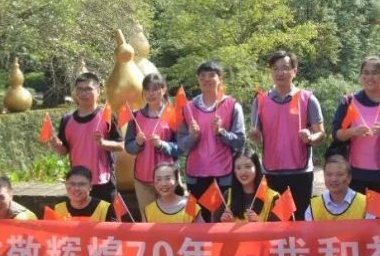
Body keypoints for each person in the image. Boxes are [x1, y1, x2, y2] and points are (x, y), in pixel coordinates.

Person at [249, 50, 325, 220]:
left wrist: (311, 137)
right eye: (275, 68)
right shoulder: (260, 100)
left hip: (300, 172)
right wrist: (255, 137)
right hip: (271, 171)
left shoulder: (307, 98)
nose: (280, 72)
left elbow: (321, 133)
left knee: (298, 220)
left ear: (294, 71)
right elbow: (258, 138)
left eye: (285, 68)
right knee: (273, 221)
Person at [331, 56, 380, 216]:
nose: (370, 77)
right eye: (366, 73)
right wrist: (353, 132)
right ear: (361, 76)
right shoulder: (349, 101)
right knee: (357, 223)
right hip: (355, 176)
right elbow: (336, 134)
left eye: (375, 73)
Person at [177, 61, 245, 221]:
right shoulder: (188, 108)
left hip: (224, 174)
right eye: (202, 76)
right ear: (198, 80)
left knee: (223, 220)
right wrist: (193, 137)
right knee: (200, 221)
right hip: (196, 175)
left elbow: (240, 141)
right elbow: (181, 144)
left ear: (220, 79)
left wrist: (221, 132)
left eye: (211, 75)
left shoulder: (232, 106)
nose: (207, 79)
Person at [48, 72, 123, 202]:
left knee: (106, 215)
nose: (84, 93)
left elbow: (121, 145)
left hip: (103, 182)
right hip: (78, 183)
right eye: (80, 89)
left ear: (98, 91)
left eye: (88, 89)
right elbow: (64, 151)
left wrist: (103, 143)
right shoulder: (67, 119)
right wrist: (56, 145)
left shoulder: (107, 116)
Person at [124, 72, 180, 216]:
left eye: (155, 89)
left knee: (170, 217)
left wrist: (162, 145)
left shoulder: (173, 114)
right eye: (147, 90)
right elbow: (128, 147)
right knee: (147, 218)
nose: (150, 94)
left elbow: (181, 147)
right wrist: (137, 143)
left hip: (167, 179)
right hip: (143, 179)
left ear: (163, 90)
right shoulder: (135, 116)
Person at [215, 148, 280, 222]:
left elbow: (279, 228)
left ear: (257, 168)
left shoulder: (273, 197)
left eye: (248, 167)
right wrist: (223, 223)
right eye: (238, 168)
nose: (243, 172)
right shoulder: (227, 195)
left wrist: (258, 224)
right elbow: (213, 225)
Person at [305, 155, 377, 221]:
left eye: (339, 174)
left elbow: (374, 229)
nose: (334, 179)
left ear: (349, 178)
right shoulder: (313, 207)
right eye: (329, 174)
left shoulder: (367, 203)